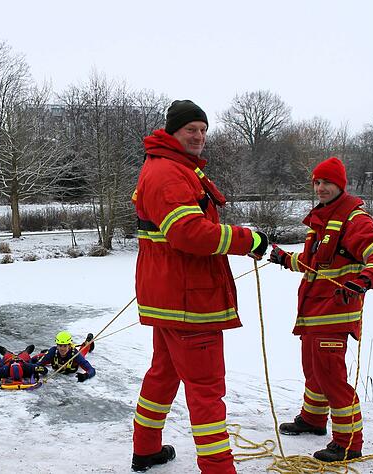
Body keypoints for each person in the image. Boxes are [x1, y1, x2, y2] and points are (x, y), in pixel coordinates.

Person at [131, 100, 268, 473]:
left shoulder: (169, 168)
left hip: (171, 297)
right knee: (207, 389)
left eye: (203, 130)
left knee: (163, 374)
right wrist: (248, 240)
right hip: (189, 301)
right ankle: (218, 468)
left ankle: (146, 448)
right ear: (173, 131)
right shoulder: (169, 173)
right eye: (192, 129)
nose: (199, 136)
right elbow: (188, 233)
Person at [268, 156, 373, 462]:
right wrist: (284, 258)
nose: (321, 187)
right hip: (313, 312)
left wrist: (363, 280)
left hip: (336, 313)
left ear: (341, 185)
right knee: (313, 372)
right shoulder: (323, 218)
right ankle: (313, 420)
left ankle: (349, 442)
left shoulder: (354, 219)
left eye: (327, 182)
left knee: (332, 379)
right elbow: (315, 264)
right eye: (317, 182)